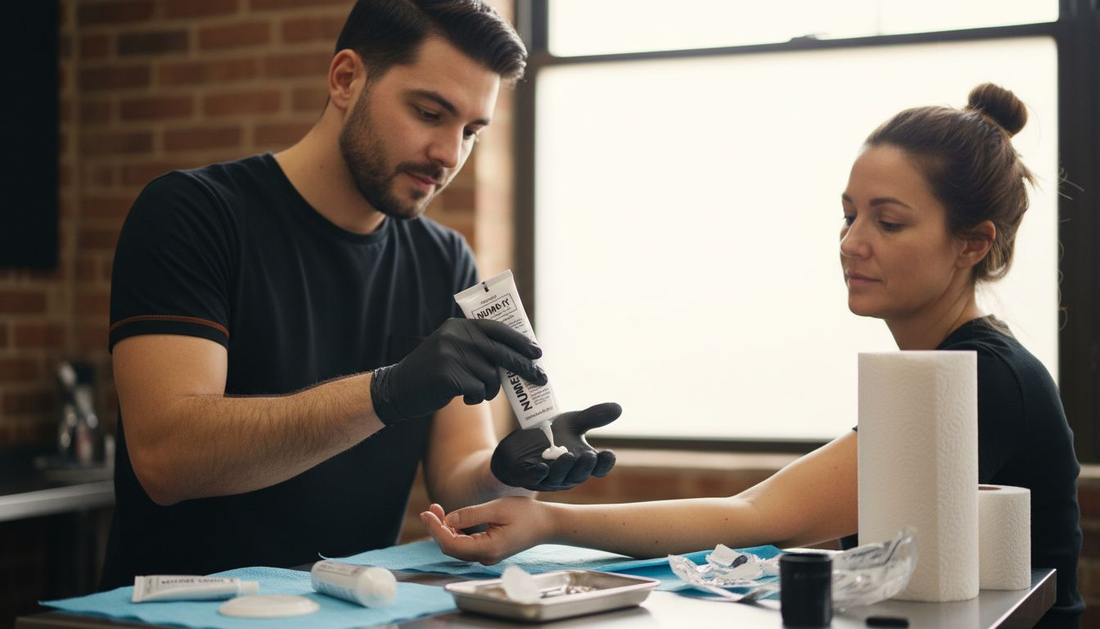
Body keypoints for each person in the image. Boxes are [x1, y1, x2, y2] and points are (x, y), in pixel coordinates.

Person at [421, 84, 1084, 628]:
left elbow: (761, 516)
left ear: (972, 244)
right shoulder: (933, 374)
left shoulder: (984, 379)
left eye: (888, 221)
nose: (852, 242)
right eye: (848, 214)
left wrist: (547, 520)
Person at [101, 0, 620, 590]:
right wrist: (386, 393)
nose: (449, 155)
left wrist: (509, 471)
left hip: (350, 606)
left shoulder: (444, 260)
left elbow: (457, 477)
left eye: (471, 131)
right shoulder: (192, 215)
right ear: (346, 79)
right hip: (183, 612)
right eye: (430, 112)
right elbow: (169, 458)